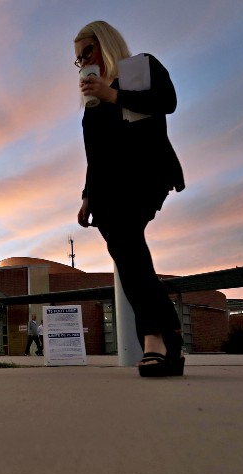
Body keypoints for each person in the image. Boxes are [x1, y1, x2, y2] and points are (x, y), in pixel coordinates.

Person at [73, 21, 185, 377]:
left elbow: (167, 102)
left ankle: (155, 337)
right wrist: (87, 196)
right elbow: (96, 155)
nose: (83, 63)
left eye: (86, 52)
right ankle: (168, 337)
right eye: (77, 60)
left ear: (104, 43)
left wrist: (115, 95)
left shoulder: (140, 67)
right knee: (128, 254)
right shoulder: (92, 104)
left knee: (128, 246)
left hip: (144, 175)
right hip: (107, 189)